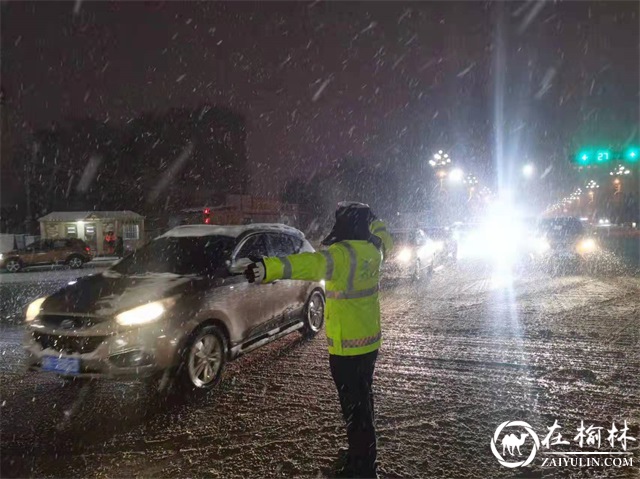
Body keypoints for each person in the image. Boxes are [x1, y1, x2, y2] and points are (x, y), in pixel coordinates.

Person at [245, 202, 392, 478]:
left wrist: (268, 268)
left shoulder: (341, 255)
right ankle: (361, 455)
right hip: (369, 344)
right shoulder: (376, 250)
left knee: (355, 409)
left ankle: (363, 468)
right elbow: (386, 235)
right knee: (363, 403)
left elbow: (305, 265)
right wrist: (375, 219)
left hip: (346, 348)